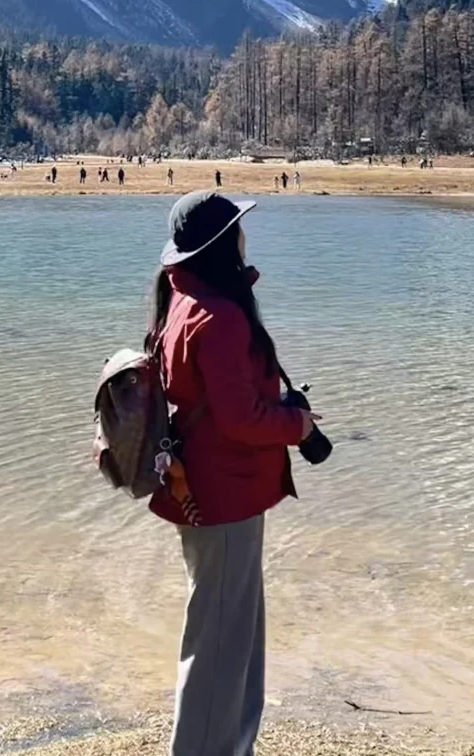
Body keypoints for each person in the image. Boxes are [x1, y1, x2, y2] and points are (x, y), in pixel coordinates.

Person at [147, 192, 318, 756]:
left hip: (211, 492)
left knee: (233, 638)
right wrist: (297, 424)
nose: (247, 238)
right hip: (224, 496)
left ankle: (234, 746)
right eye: (240, 230)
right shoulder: (217, 315)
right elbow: (241, 420)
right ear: (224, 245)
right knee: (220, 645)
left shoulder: (186, 299)